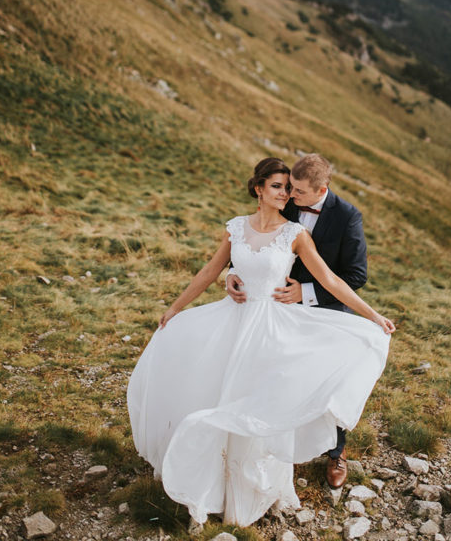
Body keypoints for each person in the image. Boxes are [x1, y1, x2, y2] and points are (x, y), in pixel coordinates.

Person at [126, 157, 395, 528]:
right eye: (278, 187)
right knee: (218, 392)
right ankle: (208, 480)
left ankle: (256, 483)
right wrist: (175, 307)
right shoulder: (236, 227)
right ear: (259, 188)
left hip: (271, 325)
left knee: (261, 400)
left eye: (290, 188)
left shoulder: (296, 232)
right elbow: (210, 269)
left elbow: (334, 280)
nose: (286, 194)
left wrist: (373, 316)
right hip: (232, 321)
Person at [224, 153, 367, 488]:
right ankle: (268, 442)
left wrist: (306, 292)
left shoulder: (347, 217)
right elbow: (258, 241)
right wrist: (234, 271)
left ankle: (336, 452)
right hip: (274, 307)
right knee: (272, 376)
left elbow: (355, 275)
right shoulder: (285, 198)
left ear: (322, 188)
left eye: (298, 191)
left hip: (323, 307)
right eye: (288, 188)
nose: (290, 196)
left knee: (330, 380)